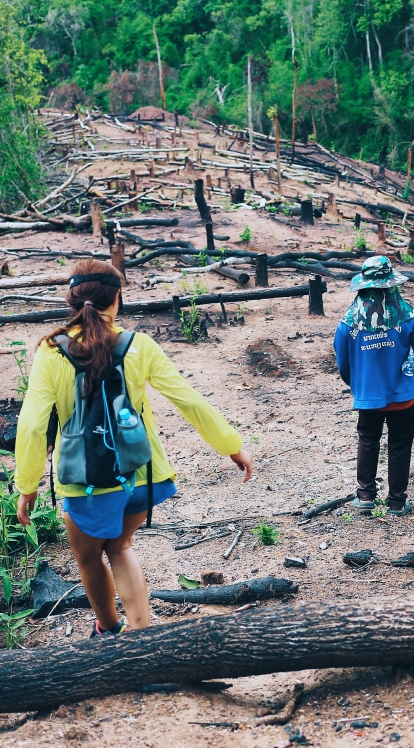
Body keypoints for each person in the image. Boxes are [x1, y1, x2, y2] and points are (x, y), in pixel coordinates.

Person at [14, 259, 253, 636]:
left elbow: (30, 426)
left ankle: (108, 630)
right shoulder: (137, 345)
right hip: (142, 474)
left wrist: (26, 485)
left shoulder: (51, 351)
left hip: (85, 481)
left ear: (72, 300)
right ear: (117, 299)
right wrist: (231, 445)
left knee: (90, 556)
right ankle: (141, 635)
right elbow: (187, 399)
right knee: (121, 547)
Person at [333, 255, 414, 516]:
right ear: (393, 285)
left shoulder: (348, 322)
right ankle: (397, 502)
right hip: (405, 397)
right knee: (400, 445)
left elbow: (343, 363)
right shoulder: (410, 316)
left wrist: (358, 386)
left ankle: (365, 497)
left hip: (369, 397)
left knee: (368, 440)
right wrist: (412, 372)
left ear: (363, 286)